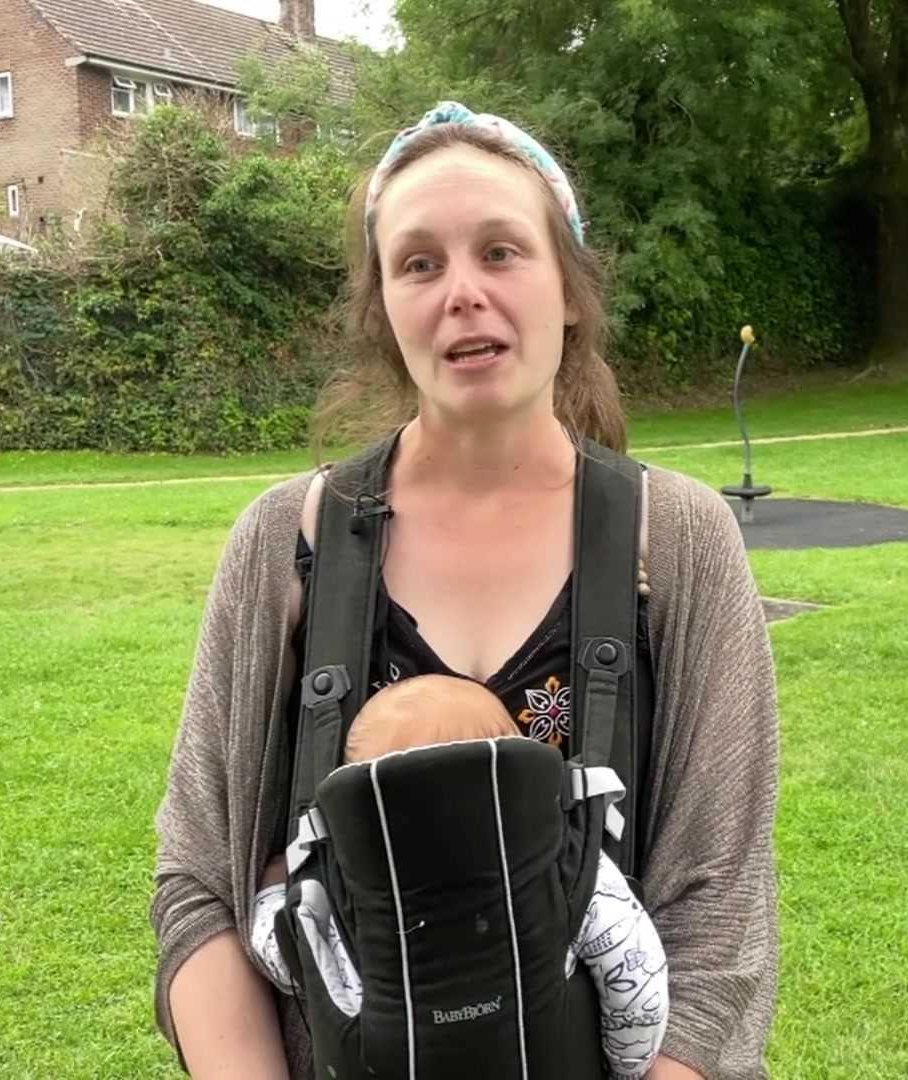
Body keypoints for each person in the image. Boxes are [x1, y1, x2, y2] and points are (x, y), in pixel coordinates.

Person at [148, 100, 780, 1080]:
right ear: (383, 310)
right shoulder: (284, 541)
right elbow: (200, 883)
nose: (463, 294)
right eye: (420, 263)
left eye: (501, 251)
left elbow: (721, 912)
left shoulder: (681, 541)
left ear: (568, 288)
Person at [245, 674, 670, 1080]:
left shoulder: (344, 891)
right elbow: (636, 979)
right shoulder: (566, 865)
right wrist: (626, 1064)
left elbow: (287, 954)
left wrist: (270, 887)